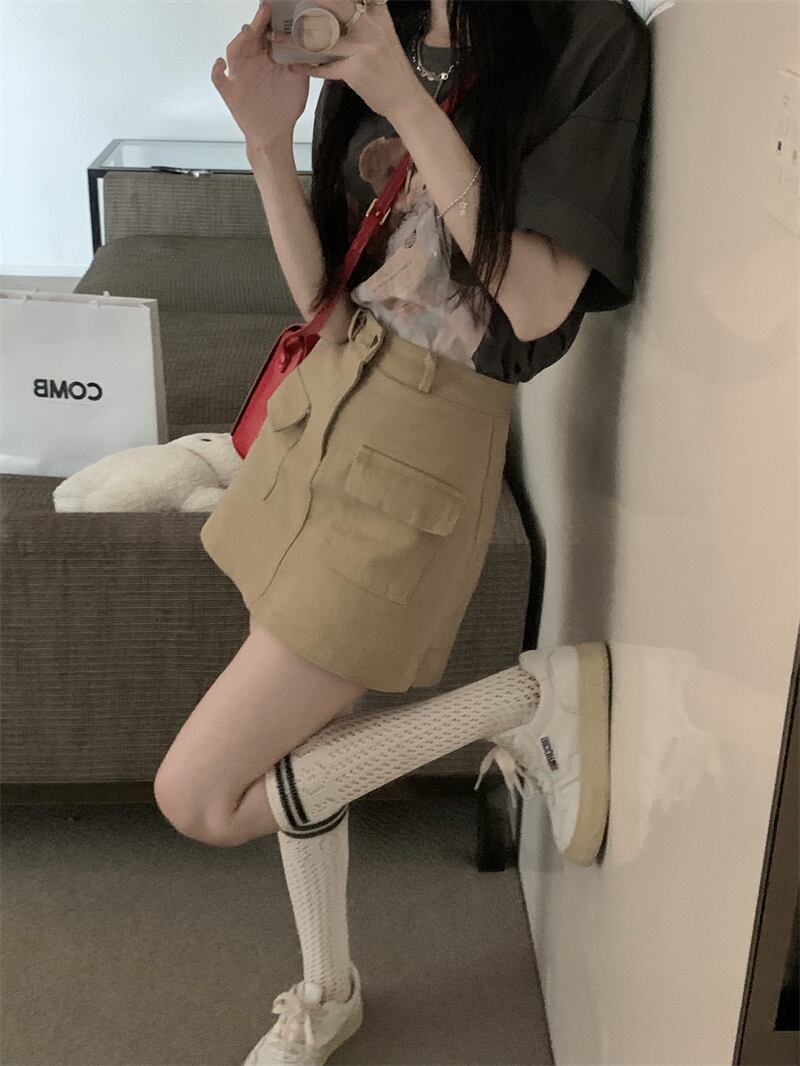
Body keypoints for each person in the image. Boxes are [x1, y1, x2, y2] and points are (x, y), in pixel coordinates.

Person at [153, 1, 652, 1061]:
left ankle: (524, 704)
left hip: (422, 444)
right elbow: (325, 300)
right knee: (293, 741)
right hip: (320, 416)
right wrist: (267, 139)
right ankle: (327, 987)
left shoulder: (583, 37)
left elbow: (532, 306)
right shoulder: (383, 21)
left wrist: (399, 97)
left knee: (199, 796)